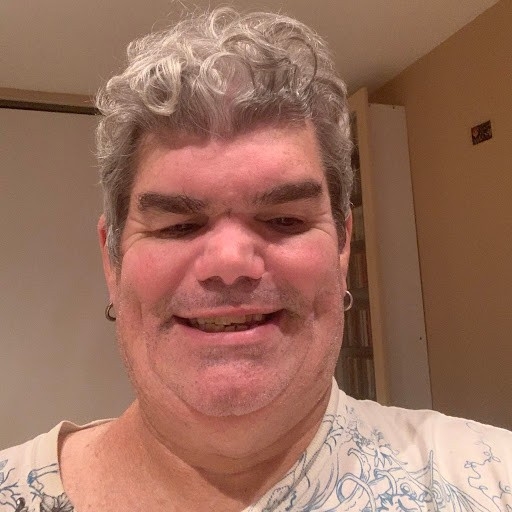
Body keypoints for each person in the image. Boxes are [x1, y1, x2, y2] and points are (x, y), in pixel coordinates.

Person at [1, 7, 510, 512]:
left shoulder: (491, 480)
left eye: (284, 219)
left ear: (341, 248)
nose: (230, 261)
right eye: (178, 225)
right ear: (112, 262)